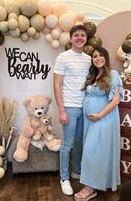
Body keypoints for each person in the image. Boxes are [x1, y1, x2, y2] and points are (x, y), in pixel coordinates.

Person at [74, 47, 124, 201]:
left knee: (92, 152)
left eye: (101, 55)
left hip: (104, 118)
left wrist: (100, 115)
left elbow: (116, 99)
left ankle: (89, 188)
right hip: (91, 120)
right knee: (97, 152)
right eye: (95, 56)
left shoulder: (112, 74)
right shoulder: (93, 75)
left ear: (106, 57)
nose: (97, 58)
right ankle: (96, 183)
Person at [53, 24, 91, 196]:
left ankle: (76, 171)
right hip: (69, 106)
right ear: (71, 38)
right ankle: (64, 178)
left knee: (80, 142)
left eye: (83, 35)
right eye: (76, 35)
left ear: (86, 38)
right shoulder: (63, 57)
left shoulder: (89, 59)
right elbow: (57, 84)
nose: (80, 38)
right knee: (67, 144)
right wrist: (62, 110)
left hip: (85, 107)